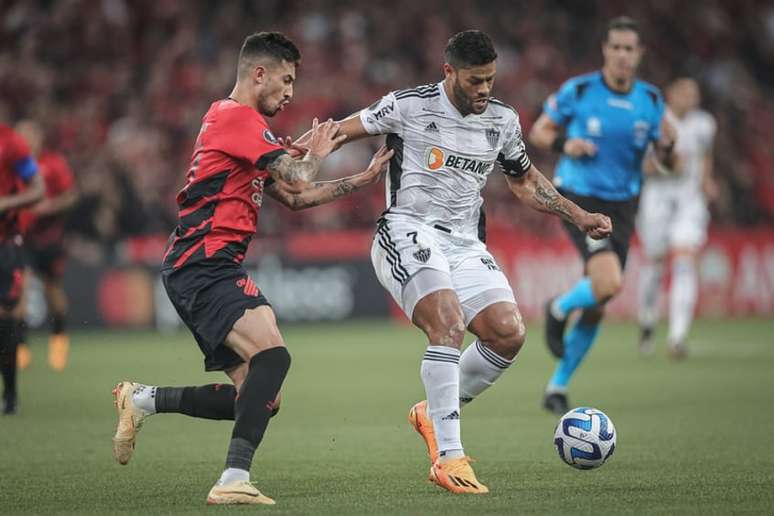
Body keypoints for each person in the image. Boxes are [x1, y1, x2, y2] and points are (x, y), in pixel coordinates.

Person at [297, 30, 611, 494]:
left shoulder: (502, 120)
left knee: (508, 333)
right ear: (449, 72)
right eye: (475, 80)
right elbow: (338, 132)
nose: (485, 89)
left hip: (465, 243)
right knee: (446, 321)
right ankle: (449, 456)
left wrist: (578, 214)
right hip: (405, 230)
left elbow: (524, 182)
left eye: (490, 80)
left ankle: (433, 409)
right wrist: (283, 160)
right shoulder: (407, 106)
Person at [110, 32, 393, 506]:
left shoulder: (238, 126)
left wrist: (359, 180)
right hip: (202, 263)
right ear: (258, 74)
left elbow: (295, 196)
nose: (291, 93)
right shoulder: (236, 118)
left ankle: (141, 399)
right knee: (274, 358)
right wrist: (321, 150)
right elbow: (301, 176)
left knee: (261, 396)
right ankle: (232, 478)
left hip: (205, 264)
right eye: (285, 80)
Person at [529, 16, 677, 415]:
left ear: (639, 54)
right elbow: (538, 132)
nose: (623, 56)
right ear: (605, 51)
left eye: (631, 49)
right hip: (581, 197)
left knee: (597, 300)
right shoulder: (579, 91)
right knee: (609, 283)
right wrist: (566, 143)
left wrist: (667, 148)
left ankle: (557, 387)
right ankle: (557, 308)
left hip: (625, 204)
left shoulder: (651, 100)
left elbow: (668, 162)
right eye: (617, 48)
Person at [636, 78, 717, 358]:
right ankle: (647, 321)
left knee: (684, 261)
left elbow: (706, 155)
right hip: (656, 200)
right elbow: (641, 165)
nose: (691, 98)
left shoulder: (705, 124)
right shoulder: (652, 120)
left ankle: (677, 336)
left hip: (689, 202)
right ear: (671, 95)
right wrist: (667, 166)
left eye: (695, 93)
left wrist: (706, 181)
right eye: (685, 93)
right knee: (655, 266)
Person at [14, 119, 79, 372]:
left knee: (54, 294)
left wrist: (50, 207)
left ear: (39, 138)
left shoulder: (52, 163)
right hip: (22, 237)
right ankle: (20, 348)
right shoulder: (11, 167)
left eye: (28, 135)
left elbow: (71, 195)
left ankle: (59, 341)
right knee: (21, 287)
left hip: (49, 238)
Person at [0, 123, 44, 415]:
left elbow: (38, 189)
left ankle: (11, 394)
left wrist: (6, 202)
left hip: (4, 242)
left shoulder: (11, 143)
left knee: (6, 318)